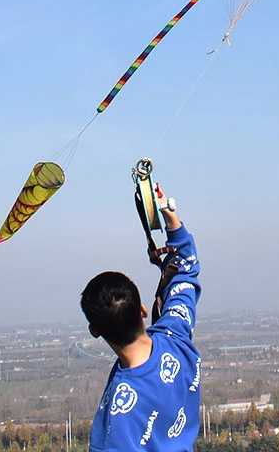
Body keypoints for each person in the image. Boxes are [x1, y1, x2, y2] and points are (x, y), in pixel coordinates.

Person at [81, 188, 201, 452]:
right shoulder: (176, 337)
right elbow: (186, 268)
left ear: (94, 331)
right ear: (143, 310)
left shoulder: (121, 411)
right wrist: (170, 217)